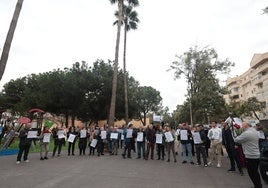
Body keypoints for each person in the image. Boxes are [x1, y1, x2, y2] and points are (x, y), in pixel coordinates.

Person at [234, 122, 262, 188]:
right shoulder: (254, 131)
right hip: (256, 154)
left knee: (252, 173)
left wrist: (237, 135)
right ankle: (258, 185)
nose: (241, 127)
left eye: (242, 125)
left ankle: (258, 186)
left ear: (246, 125)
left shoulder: (246, 133)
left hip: (250, 156)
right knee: (255, 172)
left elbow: (236, 140)